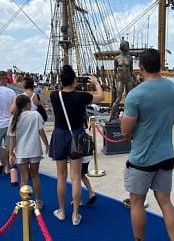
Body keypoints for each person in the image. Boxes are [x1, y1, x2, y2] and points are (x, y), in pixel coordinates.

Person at [121, 48, 174, 241]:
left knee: (137, 202)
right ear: (160, 65)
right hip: (166, 154)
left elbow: (125, 130)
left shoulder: (135, 95)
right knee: (165, 201)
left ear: (141, 67)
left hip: (142, 158)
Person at [49, 64, 104, 226]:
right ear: (74, 81)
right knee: (75, 177)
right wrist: (96, 83)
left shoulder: (54, 96)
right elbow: (100, 97)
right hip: (77, 135)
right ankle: (75, 215)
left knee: (61, 177)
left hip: (59, 135)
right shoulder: (81, 96)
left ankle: (61, 210)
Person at [8, 94, 49, 210]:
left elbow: (12, 138)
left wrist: (11, 153)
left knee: (24, 178)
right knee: (35, 176)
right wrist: (47, 145)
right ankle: (37, 201)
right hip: (34, 149)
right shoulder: (35, 115)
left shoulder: (14, 118)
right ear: (27, 104)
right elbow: (41, 132)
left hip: (21, 151)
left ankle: (25, 201)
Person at [109, 40, 134, 121]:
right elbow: (115, 72)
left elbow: (131, 71)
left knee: (129, 98)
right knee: (118, 98)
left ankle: (128, 116)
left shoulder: (130, 58)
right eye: (127, 46)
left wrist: (136, 80)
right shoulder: (116, 58)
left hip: (129, 79)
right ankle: (111, 115)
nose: (129, 47)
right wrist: (113, 83)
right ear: (123, 47)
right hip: (120, 80)